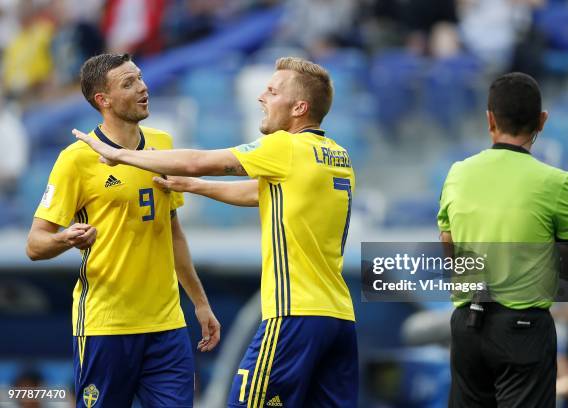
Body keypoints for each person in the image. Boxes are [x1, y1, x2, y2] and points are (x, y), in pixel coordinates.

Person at [73, 56, 358, 408]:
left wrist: (120, 155)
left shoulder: (286, 147)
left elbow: (200, 159)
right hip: (340, 317)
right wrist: (195, 187)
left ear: (299, 107)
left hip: (293, 313)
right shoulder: (337, 156)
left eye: (272, 90)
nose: (261, 97)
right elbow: (261, 193)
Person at [25, 53, 220, 408]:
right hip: (106, 325)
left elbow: (172, 230)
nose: (143, 87)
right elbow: (35, 245)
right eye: (128, 83)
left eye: (140, 78)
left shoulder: (162, 143)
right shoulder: (76, 159)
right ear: (104, 100)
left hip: (166, 325)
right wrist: (65, 239)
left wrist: (201, 304)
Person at [437, 72, 568, 407]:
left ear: (489, 119)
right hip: (524, 328)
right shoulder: (557, 182)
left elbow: (448, 244)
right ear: (542, 121)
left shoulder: (457, 172)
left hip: (467, 324)